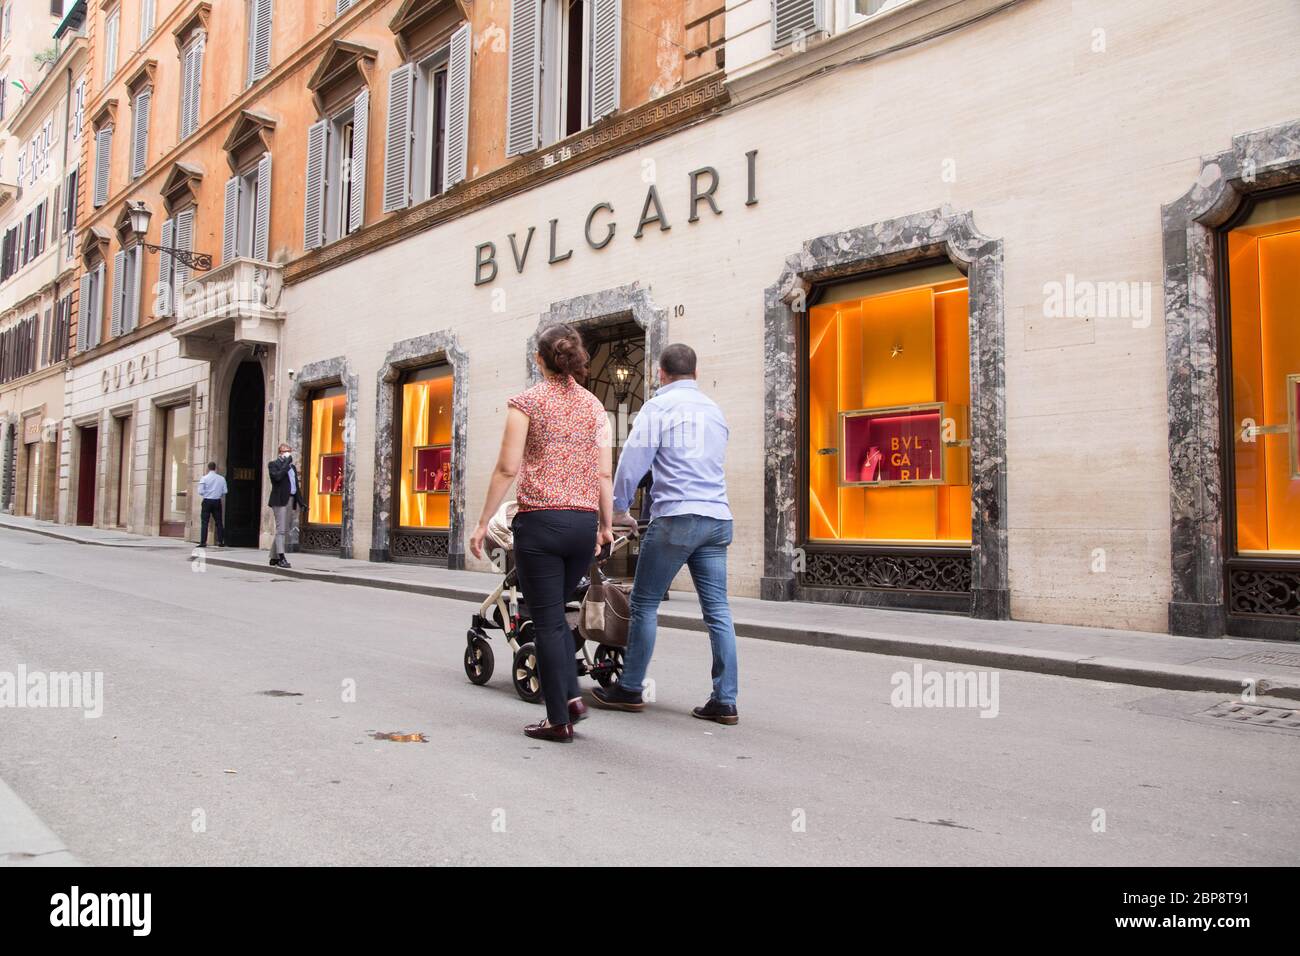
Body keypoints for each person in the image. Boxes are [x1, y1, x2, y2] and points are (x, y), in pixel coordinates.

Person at [469, 324, 613, 743]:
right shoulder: (594, 407)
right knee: (558, 618)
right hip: (582, 526)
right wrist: (605, 525)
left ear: (540, 359)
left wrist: (482, 524)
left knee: (546, 620)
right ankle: (569, 697)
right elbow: (604, 473)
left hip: (541, 524)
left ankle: (558, 720)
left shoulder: (526, 403)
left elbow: (507, 469)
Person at [590, 343, 739, 724]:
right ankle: (725, 700)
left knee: (643, 603)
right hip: (717, 517)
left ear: (660, 373)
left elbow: (630, 465)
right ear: (696, 373)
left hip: (676, 518)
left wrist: (619, 510)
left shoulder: (657, 408)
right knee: (718, 611)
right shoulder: (714, 410)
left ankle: (630, 687)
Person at [267, 443, 306, 569]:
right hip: (279, 501)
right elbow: (277, 477)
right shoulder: (273, 464)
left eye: (289, 451)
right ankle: (281, 558)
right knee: (281, 530)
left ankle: (274, 557)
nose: (288, 453)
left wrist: (301, 502)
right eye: (285, 451)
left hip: (290, 500)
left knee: (283, 530)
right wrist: (286, 463)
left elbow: (296, 487)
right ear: (280, 453)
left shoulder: (292, 468)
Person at [197, 462, 227, 548]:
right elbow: (225, 491)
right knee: (219, 522)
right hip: (217, 501)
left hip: (207, 501)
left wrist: (207, 492)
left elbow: (200, 491)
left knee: (204, 522)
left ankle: (203, 542)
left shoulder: (204, 478)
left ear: (208, 468)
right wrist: (218, 493)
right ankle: (220, 541)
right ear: (215, 468)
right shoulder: (221, 478)